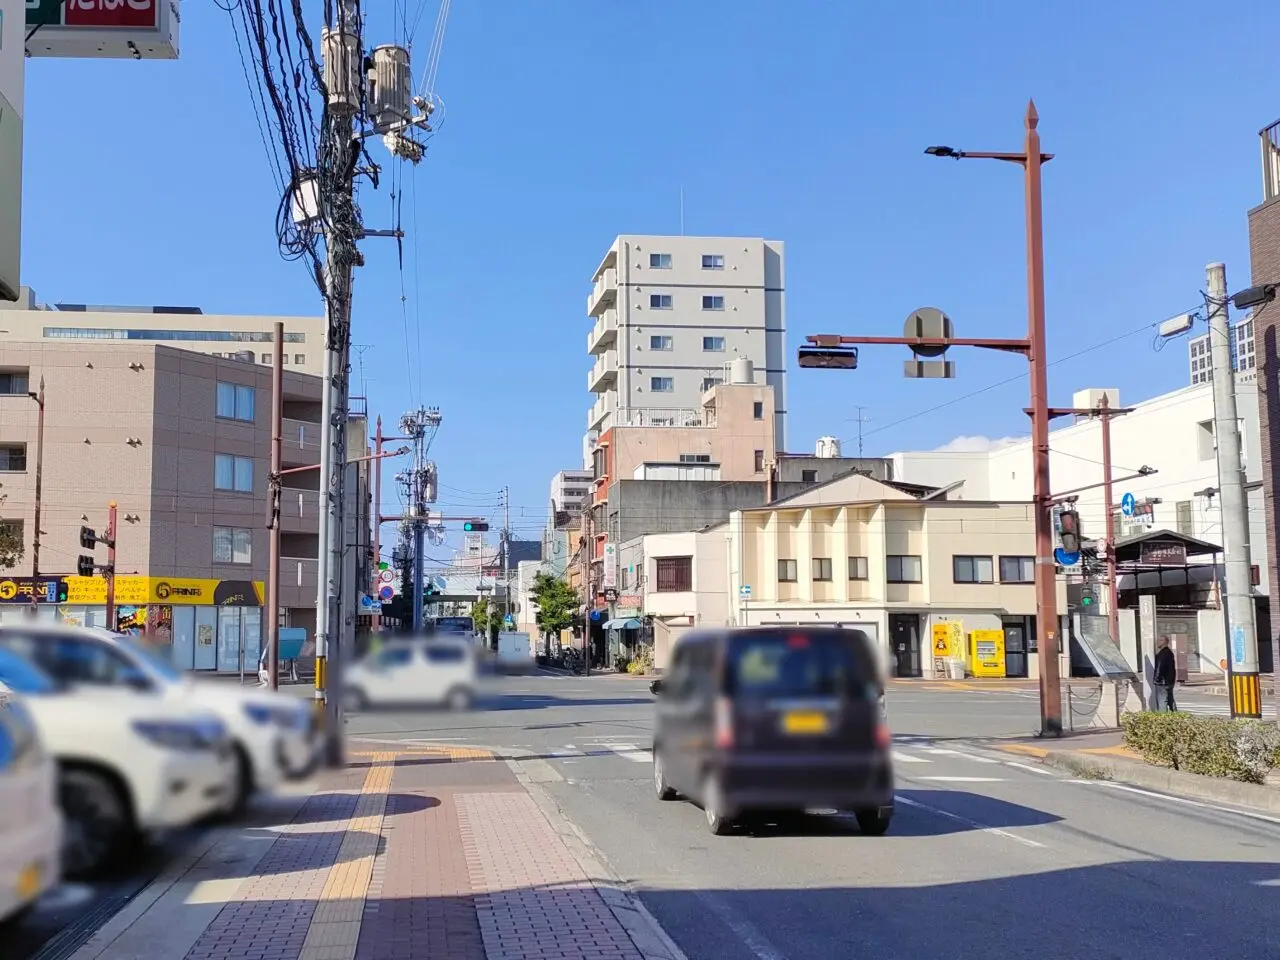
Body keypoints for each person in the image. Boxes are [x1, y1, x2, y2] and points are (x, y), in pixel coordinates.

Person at [1152, 636, 1177, 711]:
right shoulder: (1169, 653)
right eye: (1158, 640)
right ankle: (1175, 714)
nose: (1157, 642)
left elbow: (1159, 667)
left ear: (1165, 642)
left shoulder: (1163, 654)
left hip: (1163, 681)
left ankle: (1163, 716)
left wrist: (1156, 679)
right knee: (1170, 698)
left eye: (1161, 640)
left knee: (1162, 699)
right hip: (1169, 681)